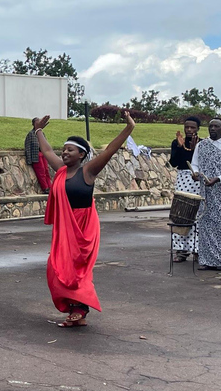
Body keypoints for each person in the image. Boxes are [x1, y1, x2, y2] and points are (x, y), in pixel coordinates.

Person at [34, 111, 135, 328]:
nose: (64, 152)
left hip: (83, 227)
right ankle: (74, 307)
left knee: (77, 270)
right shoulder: (61, 170)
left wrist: (129, 128)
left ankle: (80, 309)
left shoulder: (88, 171)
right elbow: (47, 150)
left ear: (81, 154)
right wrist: (38, 130)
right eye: (64, 150)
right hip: (64, 227)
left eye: (70, 150)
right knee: (57, 267)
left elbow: (110, 149)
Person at [190, 118, 221, 271]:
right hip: (206, 192)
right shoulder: (201, 145)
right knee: (206, 226)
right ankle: (206, 261)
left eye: (216, 126)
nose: (213, 128)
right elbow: (195, 163)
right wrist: (195, 173)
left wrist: (218, 179)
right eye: (210, 126)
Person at [169, 117, 201, 263]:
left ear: (198, 129)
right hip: (182, 179)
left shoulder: (202, 143)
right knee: (181, 214)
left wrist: (194, 149)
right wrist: (181, 148)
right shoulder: (176, 142)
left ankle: (197, 250)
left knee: (197, 215)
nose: (189, 130)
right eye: (187, 127)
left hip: (197, 180)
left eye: (192, 127)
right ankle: (181, 250)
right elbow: (174, 163)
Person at [25, 117, 51, 194]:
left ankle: (50, 187)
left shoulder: (42, 134)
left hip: (43, 154)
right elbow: (28, 147)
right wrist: (29, 159)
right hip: (36, 155)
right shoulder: (31, 134)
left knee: (46, 170)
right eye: (37, 122)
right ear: (33, 124)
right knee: (41, 171)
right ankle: (45, 188)